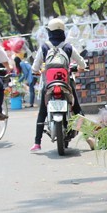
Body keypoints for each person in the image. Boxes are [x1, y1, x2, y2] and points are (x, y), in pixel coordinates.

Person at [30, 18, 87, 152]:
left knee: (42, 112)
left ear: (49, 31)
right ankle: (88, 136)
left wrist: (37, 72)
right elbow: (82, 63)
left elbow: (35, 67)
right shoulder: (68, 47)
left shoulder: (44, 47)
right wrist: (81, 68)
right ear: (63, 31)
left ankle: (37, 143)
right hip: (66, 84)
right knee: (77, 109)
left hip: (49, 85)